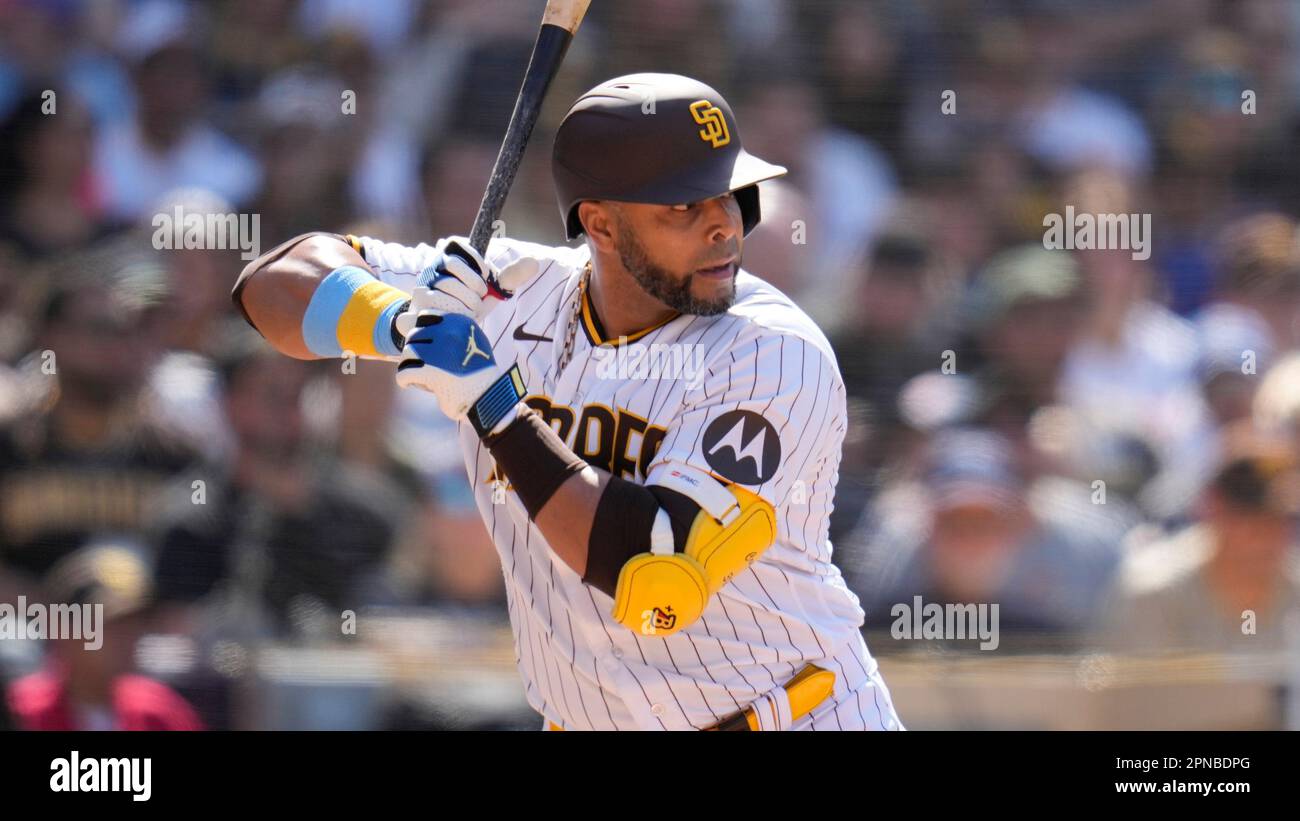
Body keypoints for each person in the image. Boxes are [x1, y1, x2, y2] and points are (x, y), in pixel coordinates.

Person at [231, 73, 903, 731]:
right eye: (684, 205)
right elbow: (268, 285)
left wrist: (493, 402)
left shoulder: (774, 351)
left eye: (731, 195)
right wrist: (404, 322)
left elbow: (654, 576)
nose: (725, 226)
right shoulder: (510, 292)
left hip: (789, 715)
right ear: (601, 225)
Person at [6, 540, 204, 731]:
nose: (127, 638)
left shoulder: (161, 712)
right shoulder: (20, 711)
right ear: (62, 630)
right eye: (109, 626)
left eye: (133, 624)